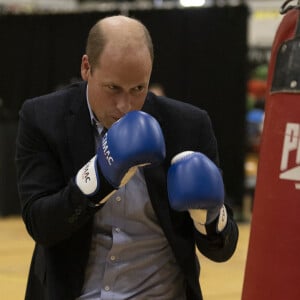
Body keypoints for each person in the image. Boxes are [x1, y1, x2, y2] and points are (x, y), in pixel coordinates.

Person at [15, 15, 239, 300]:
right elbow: (41, 225)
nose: (126, 106)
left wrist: (208, 217)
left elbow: (223, 249)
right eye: (113, 88)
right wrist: (98, 179)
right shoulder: (42, 118)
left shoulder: (187, 125)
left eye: (138, 89)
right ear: (87, 68)